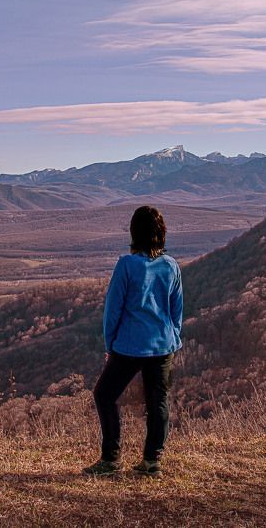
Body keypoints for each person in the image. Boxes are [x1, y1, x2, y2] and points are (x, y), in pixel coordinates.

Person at [82, 205, 183, 479]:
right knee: (158, 401)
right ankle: (152, 460)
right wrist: (173, 337)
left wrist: (110, 344)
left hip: (129, 345)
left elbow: (112, 310)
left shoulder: (126, 265)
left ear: (134, 232)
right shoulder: (171, 266)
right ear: (161, 233)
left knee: (104, 395)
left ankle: (111, 458)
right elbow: (176, 310)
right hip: (163, 345)